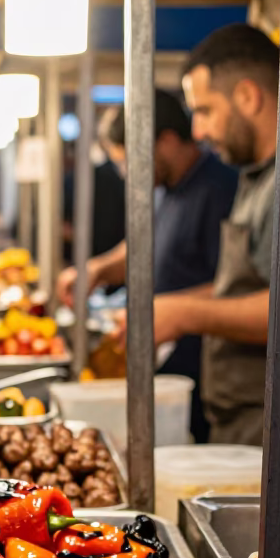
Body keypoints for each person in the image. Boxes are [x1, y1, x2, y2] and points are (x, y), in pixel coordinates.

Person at [122, 25, 280, 487]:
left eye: (205, 110)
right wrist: (165, 308)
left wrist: (184, 313)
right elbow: (250, 285)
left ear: (248, 96)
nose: (198, 130)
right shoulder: (263, 173)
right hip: (254, 424)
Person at [58, 90, 238, 442]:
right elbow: (143, 248)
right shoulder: (165, 188)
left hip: (203, 378)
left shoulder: (220, 190)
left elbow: (233, 285)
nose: (128, 175)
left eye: (132, 163)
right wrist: (97, 269)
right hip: (162, 369)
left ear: (167, 141)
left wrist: (176, 312)